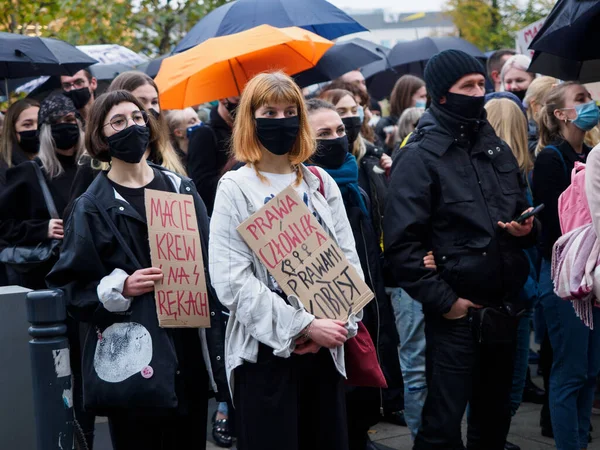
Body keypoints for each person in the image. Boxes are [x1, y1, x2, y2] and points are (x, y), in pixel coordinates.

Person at [46, 89, 227, 450]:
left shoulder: (181, 189)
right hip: (132, 359)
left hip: (188, 350)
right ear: (100, 135)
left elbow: (214, 262)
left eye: (137, 117)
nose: (131, 126)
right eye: (118, 121)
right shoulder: (92, 206)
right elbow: (69, 288)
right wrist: (120, 287)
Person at [385, 49, 536, 450]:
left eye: (481, 84)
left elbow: (518, 207)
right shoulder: (418, 155)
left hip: (504, 308)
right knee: (442, 427)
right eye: (466, 86)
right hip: (456, 315)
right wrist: (446, 302)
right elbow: (402, 245)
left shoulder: (495, 147)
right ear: (441, 94)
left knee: (494, 420)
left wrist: (525, 227)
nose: (478, 92)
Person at [209, 71, 362, 450]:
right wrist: (303, 326)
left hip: (326, 352)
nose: (281, 121)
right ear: (250, 119)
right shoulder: (235, 188)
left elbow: (348, 259)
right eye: (270, 113)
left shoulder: (320, 182)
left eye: (290, 112)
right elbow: (231, 281)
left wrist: (342, 324)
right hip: (266, 357)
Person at [306, 97, 404, 446]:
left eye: (339, 130)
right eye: (324, 133)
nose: (337, 138)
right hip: (327, 320)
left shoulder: (357, 185)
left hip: (369, 308)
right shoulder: (302, 194)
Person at [0, 94, 92, 446]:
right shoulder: (24, 174)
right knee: (52, 372)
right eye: (59, 123)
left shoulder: (91, 170)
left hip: (84, 289)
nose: (68, 127)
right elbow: (3, 227)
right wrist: (41, 229)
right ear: (46, 131)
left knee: (82, 377)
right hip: (45, 290)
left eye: (73, 120)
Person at [532, 81, 600, 449]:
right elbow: (559, 229)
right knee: (570, 370)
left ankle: (580, 438)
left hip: (594, 272)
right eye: (582, 99)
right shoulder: (550, 158)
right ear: (561, 114)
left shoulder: (592, 152)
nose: (591, 104)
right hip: (565, 275)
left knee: (590, 370)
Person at [485, 97, 539, 450]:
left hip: (514, 287)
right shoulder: (515, 174)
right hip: (509, 288)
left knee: (498, 378)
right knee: (506, 377)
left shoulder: (521, 172)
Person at [67, 71, 187, 207]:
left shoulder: (168, 153)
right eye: (142, 101)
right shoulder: (93, 164)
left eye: (154, 102)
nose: (149, 108)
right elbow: (76, 214)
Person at [186, 95, 239, 215]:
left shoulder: (252, 131)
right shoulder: (204, 134)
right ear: (222, 99)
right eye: (237, 100)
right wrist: (237, 164)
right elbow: (200, 188)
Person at [375, 75, 426, 151]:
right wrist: (390, 145)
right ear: (406, 97)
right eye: (421, 96)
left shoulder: (425, 120)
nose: (425, 100)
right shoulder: (385, 124)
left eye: (426, 96)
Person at [0, 98, 40, 185]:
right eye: (27, 125)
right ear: (12, 130)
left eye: (40, 122)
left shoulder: (55, 162)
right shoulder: (4, 170)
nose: (36, 128)